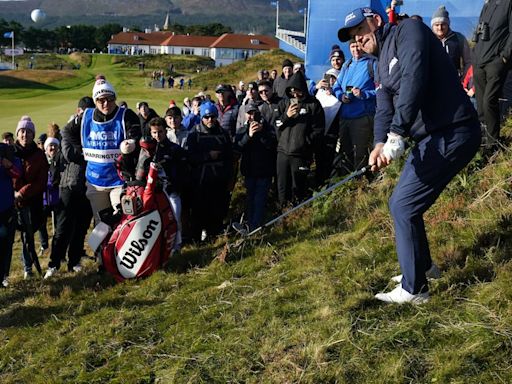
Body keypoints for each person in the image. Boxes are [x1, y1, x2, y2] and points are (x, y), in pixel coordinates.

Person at [338, 7, 480, 303]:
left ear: (376, 21)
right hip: (432, 137)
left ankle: (415, 290)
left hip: (454, 130)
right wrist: (379, 142)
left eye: (361, 32)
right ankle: (422, 267)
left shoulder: (409, 31)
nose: (359, 40)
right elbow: (384, 106)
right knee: (401, 203)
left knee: (403, 206)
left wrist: (397, 133)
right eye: (353, 38)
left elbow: (415, 77)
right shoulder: (377, 65)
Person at [63, 77, 141, 226]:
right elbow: (67, 131)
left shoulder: (126, 115)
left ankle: (120, 249)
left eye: (110, 99)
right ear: (95, 101)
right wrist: (80, 151)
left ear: (115, 98)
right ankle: (103, 250)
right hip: (95, 182)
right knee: (102, 224)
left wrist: (132, 142)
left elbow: (136, 134)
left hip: (120, 181)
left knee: (123, 220)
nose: (106, 104)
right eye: (101, 100)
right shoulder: (85, 116)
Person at [47, 96, 94, 278]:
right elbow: (70, 153)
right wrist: (90, 152)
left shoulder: (96, 129)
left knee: (81, 227)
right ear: (78, 112)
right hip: (69, 186)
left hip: (88, 185)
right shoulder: (68, 130)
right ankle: (54, 263)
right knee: (63, 228)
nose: (87, 116)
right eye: (84, 112)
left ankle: (74, 261)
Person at [136, 117, 187, 254]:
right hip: (153, 192)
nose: (157, 135)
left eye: (160, 132)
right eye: (154, 133)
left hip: (171, 191)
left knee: (175, 218)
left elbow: (183, 169)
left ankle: (176, 246)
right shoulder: (147, 149)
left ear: (165, 131)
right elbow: (139, 171)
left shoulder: (174, 149)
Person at [275, 71, 325, 206]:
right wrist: (286, 116)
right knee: (282, 187)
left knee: (299, 188)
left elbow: (319, 130)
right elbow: (276, 125)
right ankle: (282, 216)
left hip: (301, 155)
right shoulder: (284, 104)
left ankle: (297, 215)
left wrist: (305, 144)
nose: (295, 95)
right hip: (283, 152)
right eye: (292, 92)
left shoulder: (314, 104)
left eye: (298, 92)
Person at [186, 101, 234, 241]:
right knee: (198, 214)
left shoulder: (223, 134)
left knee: (217, 213)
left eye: (213, 117)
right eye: (206, 117)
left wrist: (229, 179)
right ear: (201, 117)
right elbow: (190, 158)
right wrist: (207, 156)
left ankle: (214, 239)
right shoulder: (194, 134)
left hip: (219, 181)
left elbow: (229, 158)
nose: (210, 120)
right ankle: (196, 241)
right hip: (200, 182)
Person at [332, 38, 377, 175]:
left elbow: (383, 89)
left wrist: (364, 94)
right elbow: (336, 86)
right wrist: (341, 96)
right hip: (345, 117)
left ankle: (361, 185)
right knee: (345, 153)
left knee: (360, 153)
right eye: (352, 46)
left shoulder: (372, 63)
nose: (355, 49)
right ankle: (347, 185)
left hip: (362, 117)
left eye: (357, 46)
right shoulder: (347, 64)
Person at [473, 0, 512, 153]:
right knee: (481, 104)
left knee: (490, 101)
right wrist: (475, 55)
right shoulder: (487, 5)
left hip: (496, 61)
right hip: (480, 61)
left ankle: (493, 144)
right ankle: (483, 142)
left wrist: (504, 58)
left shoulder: (508, 3)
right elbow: (480, 30)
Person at [13, 116, 49, 279]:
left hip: (31, 202)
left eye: (28, 131)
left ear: (33, 135)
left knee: (28, 236)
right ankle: (4, 274)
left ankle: (28, 269)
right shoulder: (10, 153)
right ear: (17, 133)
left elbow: (40, 182)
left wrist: (21, 193)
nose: (24, 134)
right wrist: (14, 193)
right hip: (11, 202)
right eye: (22, 131)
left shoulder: (39, 155)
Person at [234, 102, 277, 232]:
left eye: (254, 113)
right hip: (249, 172)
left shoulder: (267, 128)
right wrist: (249, 136)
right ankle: (249, 225)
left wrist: (261, 132)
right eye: (249, 114)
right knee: (250, 200)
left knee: (259, 200)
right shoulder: (241, 131)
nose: (251, 117)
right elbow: (238, 148)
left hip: (264, 172)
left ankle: (255, 228)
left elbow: (272, 145)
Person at [0, 142, 21, 287]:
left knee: (5, 244)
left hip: (6, 208)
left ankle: (3, 276)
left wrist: (8, 165)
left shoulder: (5, 151)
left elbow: (17, 173)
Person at [430, 6, 472, 79]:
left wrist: (464, 79)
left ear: (448, 24)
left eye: (443, 24)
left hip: (455, 81)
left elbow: (469, 61)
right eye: (437, 25)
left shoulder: (459, 38)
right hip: (433, 82)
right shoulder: (428, 39)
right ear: (432, 26)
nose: (440, 28)